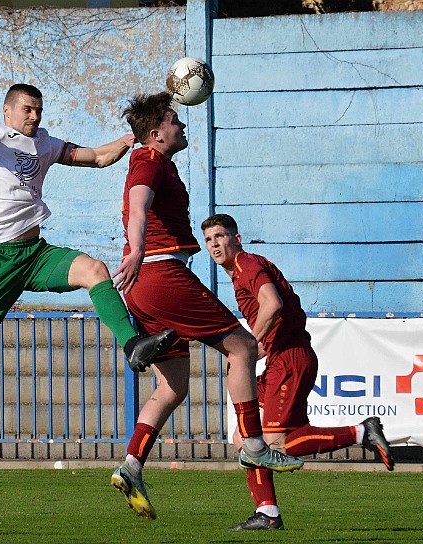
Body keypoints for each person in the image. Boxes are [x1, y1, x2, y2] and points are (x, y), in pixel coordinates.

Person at [0, 65, 177, 483]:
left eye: (38, 110)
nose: (34, 116)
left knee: (94, 269)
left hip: (35, 254)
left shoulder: (45, 143)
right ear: (7, 111)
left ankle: (133, 345)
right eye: (26, 109)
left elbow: (95, 158)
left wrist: (132, 140)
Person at [108, 92, 304, 521]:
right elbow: (138, 205)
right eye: (174, 120)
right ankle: (254, 445)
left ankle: (132, 465)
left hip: (144, 286)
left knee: (173, 386)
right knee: (243, 348)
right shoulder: (150, 161)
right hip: (162, 274)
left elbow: (139, 182)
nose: (183, 125)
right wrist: (138, 250)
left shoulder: (151, 157)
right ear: (157, 134)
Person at [201, 213, 395, 531]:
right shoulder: (238, 272)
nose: (215, 244)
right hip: (280, 359)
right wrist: (243, 355)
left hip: (290, 361)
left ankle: (363, 432)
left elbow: (272, 304)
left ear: (236, 238)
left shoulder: (247, 264)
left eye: (221, 236)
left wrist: (247, 348)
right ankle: (267, 513)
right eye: (209, 239)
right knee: (245, 437)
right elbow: (274, 322)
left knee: (275, 446)